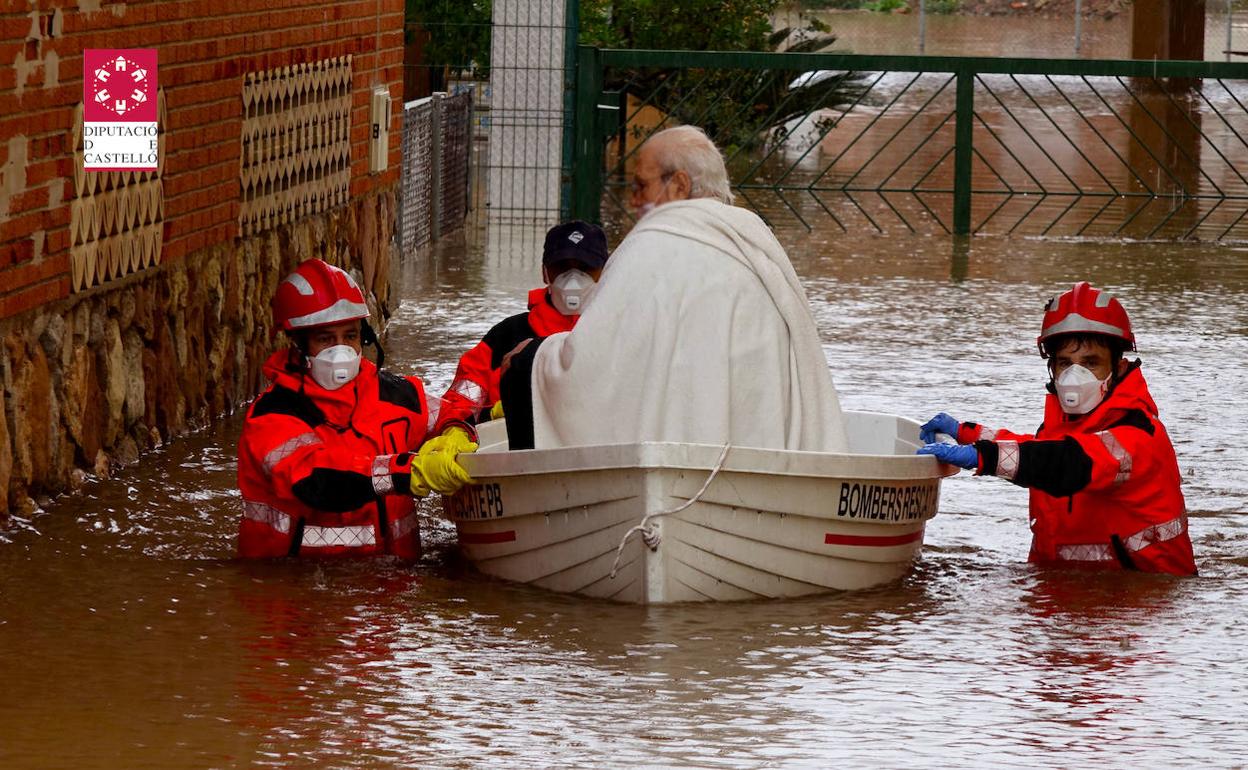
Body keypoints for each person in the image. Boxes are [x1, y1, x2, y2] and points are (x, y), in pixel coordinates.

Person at [499, 125, 849, 452]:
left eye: (641, 187)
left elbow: (590, 367)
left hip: (669, 463)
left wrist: (535, 358)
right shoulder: (757, 241)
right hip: (760, 457)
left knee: (521, 370)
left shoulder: (651, 244)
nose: (634, 201)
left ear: (680, 185)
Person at [916, 281, 1196, 575]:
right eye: (1065, 362)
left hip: (1138, 602)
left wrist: (982, 456)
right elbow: (1037, 448)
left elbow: (1067, 462)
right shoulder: (1063, 426)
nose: (1076, 375)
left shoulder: (1139, 435)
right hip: (1064, 591)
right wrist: (967, 433)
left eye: (1091, 362)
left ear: (1119, 368)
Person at [237, 258, 478, 559]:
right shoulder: (273, 415)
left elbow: (455, 411)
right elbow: (318, 482)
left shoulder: (396, 394)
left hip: (393, 590)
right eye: (325, 339)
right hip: (297, 592)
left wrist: (456, 431)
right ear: (297, 344)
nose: (341, 351)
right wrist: (409, 471)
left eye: (349, 336)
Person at [436, 220, 609, 430]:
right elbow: (460, 401)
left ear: (605, 274)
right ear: (545, 272)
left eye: (585, 268)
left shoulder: (618, 333)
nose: (573, 279)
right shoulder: (503, 337)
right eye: (562, 267)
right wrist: (463, 425)